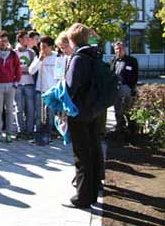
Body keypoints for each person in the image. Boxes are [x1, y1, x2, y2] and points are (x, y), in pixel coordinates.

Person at [64, 23, 103, 209]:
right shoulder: (95, 55)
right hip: (94, 110)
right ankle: (93, 192)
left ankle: (83, 197)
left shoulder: (78, 58)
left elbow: (70, 87)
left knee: (82, 155)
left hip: (79, 112)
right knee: (93, 151)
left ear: (72, 40)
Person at [28, 36, 59, 144]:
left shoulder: (57, 57)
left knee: (50, 114)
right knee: (39, 115)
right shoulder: (39, 57)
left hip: (52, 90)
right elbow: (31, 71)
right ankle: (38, 135)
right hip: (40, 89)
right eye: (41, 47)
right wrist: (40, 60)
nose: (43, 49)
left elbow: (60, 75)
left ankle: (49, 135)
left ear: (51, 47)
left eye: (45, 47)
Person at [110, 41, 139, 133]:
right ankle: (119, 129)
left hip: (127, 88)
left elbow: (135, 75)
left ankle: (132, 129)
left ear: (125, 49)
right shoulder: (113, 60)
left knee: (129, 111)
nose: (119, 50)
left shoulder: (132, 60)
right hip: (116, 89)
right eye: (117, 49)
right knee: (118, 110)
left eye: (121, 48)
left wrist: (131, 87)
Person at [14, 30, 36, 140]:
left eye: (28, 38)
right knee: (19, 108)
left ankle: (30, 131)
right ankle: (20, 130)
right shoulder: (14, 53)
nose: (28, 40)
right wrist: (24, 70)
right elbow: (13, 69)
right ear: (20, 39)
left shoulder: (31, 53)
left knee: (30, 109)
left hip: (29, 83)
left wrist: (22, 70)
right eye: (25, 38)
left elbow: (33, 68)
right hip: (17, 84)